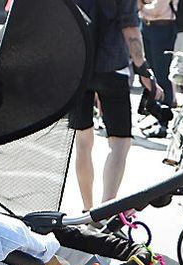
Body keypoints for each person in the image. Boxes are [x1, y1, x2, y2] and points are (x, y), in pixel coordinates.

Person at [68, 0, 161, 211]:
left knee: (83, 141)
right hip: (112, 67)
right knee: (120, 143)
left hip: (77, 66)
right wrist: (143, 70)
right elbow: (129, 28)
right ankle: (105, 209)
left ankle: (86, 208)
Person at [140, 0, 177, 119]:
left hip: (162, 28)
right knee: (150, 71)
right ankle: (152, 111)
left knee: (162, 74)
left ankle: (163, 115)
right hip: (147, 26)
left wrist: (140, 6)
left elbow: (157, 10)